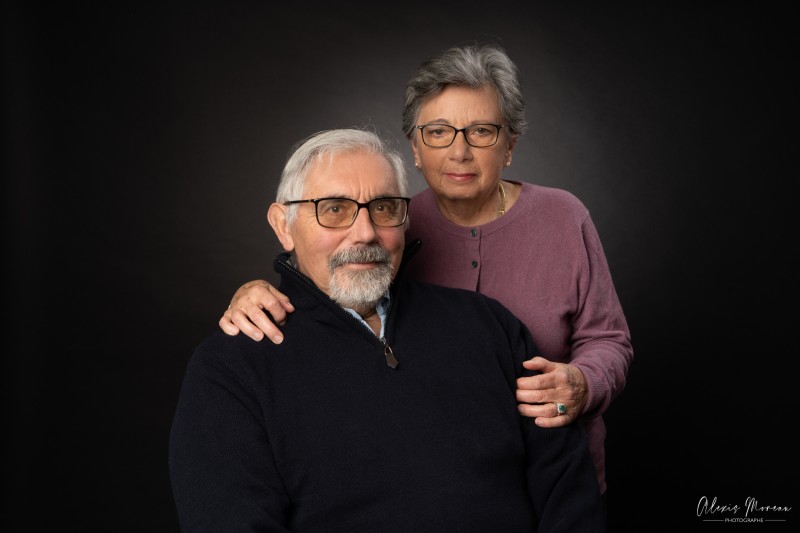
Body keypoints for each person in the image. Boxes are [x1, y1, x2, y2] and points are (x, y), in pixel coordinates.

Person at [219, 42, 633, 497]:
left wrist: (583, 382)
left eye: (481, 132)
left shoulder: (563, 217)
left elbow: (607, 339)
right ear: (415, 147)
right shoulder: (386, 224)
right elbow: (331, 288)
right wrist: (260, 288)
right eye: (438, 132)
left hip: (560, 476)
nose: (459, 152)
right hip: (439, 478)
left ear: (509, 145)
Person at [169, 128, 605, 532]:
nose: (365, 232)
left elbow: (566, 489)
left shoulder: (488, 324)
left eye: (384, 208)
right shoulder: (232, 369)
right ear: (284, 225)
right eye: (334, 209)